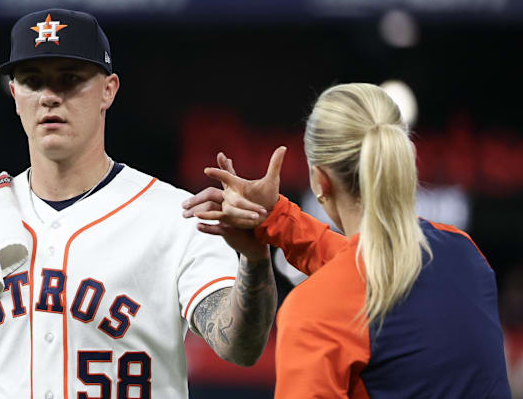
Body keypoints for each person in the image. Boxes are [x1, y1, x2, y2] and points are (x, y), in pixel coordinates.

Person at [0, 8, 277, 399]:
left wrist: (254, 259)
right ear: (15, 95)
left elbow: (240, 347)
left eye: (70, 80)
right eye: (32, 81)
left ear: (108, 90)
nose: (49, 97)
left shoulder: (176, 217)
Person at [183, 83, 512, 398]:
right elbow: (367, 274)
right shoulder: (465, 252)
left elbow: (352, 285)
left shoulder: (315, 311)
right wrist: (275, 217)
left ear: (319, 180)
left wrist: (275, 221)